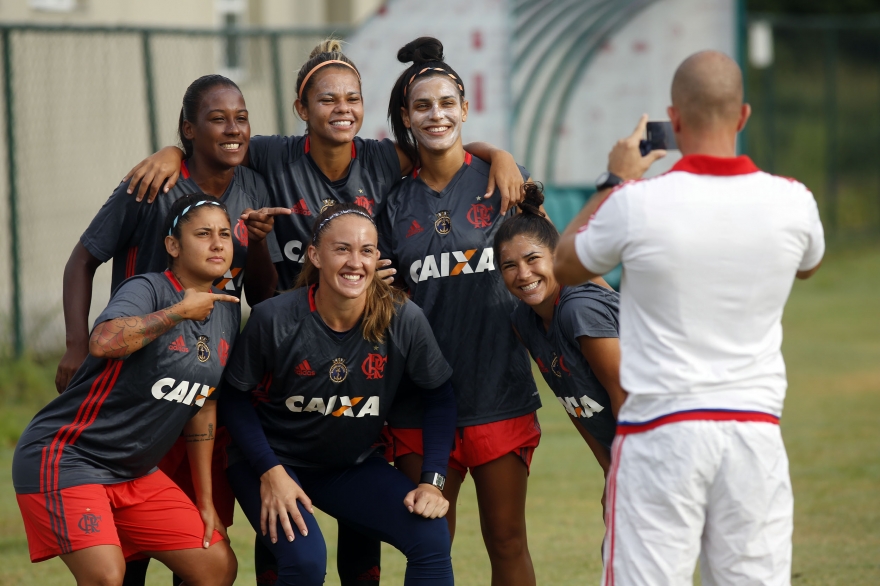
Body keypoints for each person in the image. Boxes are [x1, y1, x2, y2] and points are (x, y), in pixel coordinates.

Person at [554, 51, 825, 585]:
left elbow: (564, 262)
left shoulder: (636, 203)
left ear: (672, 120)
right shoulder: (795, 202)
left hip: (661, 432)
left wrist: (615, 179)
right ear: (743, 116)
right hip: (754, 434)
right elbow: (810, 266)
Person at [54, 73, 285, 586]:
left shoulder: (251, 186)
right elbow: (82, 260)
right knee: (127, 553)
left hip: (200, 387)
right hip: (136, 391)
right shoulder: (152, 184)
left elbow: (261, 293)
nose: (233, 128)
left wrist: (263, 243)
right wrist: (75, 345)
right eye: (217, 118)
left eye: (241, 117)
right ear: (188, 129)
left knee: (200, 544)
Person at [217, 202, 457, 586]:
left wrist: (432, 480)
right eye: (341, 249)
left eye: (366, 251)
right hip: (272, 462)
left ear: (377, 257)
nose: (355, 262)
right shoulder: (274, 318)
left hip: (349, 466)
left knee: (431, 536)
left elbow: (440, 396)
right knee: (307, 561)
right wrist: (269, 471)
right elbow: (234, 398)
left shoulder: (402, 317)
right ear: (315, 255)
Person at [13, 193, 241, 586]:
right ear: (173, 245)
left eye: (224, 233)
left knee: (217, 567)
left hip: (132, 473)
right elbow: (103, 342)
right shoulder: (148, 288)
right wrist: (177, 313)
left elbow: (203, 407)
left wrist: (204, 501)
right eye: (203, 233)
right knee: (106, 576)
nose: (217, 243)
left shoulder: (227, 309)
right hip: (68, 455)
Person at [379, 37, 542, 586]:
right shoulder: (394, 202)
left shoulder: (502, 183)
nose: (436, 115)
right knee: (429, 544)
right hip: (420, 405)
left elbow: (545, 270)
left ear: (465, 109)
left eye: (447, 103)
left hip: (498, 391)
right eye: (422, 106)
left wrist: (500, 155)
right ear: (406, 116)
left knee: (507, 541)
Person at [494, 183, 622, 513]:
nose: (523, 274)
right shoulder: (524, 320)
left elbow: (628, 398)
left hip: (663, 444)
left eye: (533, 259)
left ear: (556, 258)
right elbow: (577, 407)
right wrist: (609, 470)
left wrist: (626, 473)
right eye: (509, 266)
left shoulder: (578, 312)